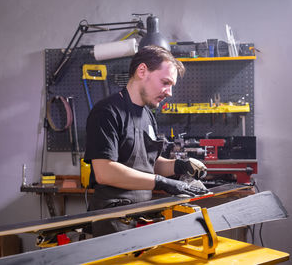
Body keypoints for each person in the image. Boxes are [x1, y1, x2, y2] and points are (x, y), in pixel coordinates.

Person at [84, 45, 208, 237]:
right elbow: (104, 172)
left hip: (145, 214)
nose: (169, 92)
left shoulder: (147, 116)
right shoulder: (107, 112)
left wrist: (179, 166)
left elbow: (148, 163)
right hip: (114, 221)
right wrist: (162, 183)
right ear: (142, 71)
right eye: (165, 82)